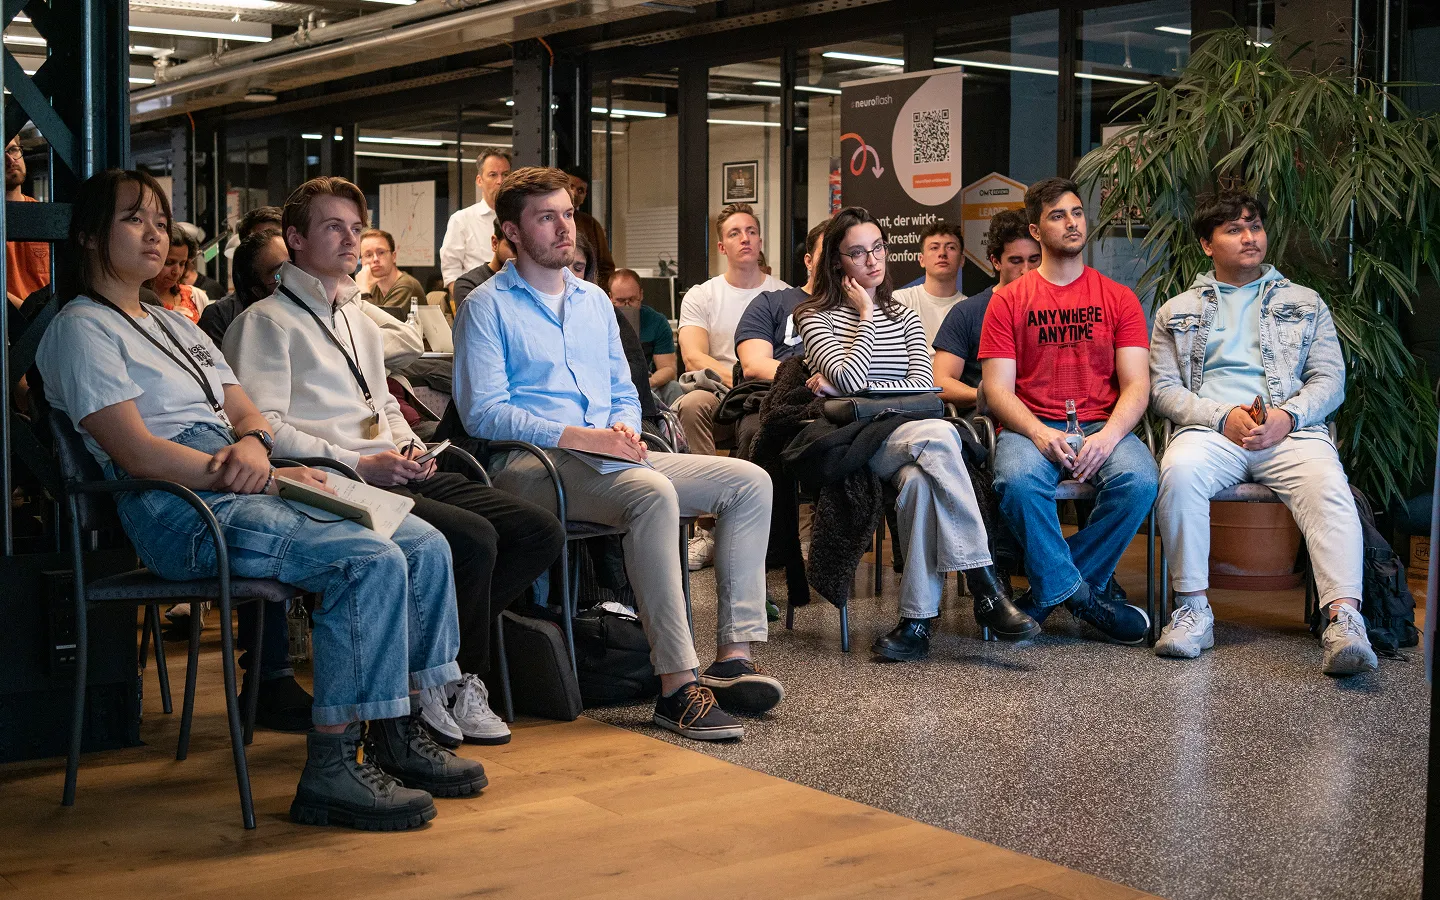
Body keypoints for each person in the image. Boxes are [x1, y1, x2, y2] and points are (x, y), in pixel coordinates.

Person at [36, 168, 485, 831]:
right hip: (178, 504)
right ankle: (332, 767)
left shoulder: (173, 323)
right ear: (87, 235)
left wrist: (251, 444)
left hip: (238, 470)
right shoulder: (80, 329)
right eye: (135, 219)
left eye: (162, 221)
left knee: (421, 541)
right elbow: (136, 454)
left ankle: (397, 729)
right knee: (367, 559)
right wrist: (239, 464)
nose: (156, 234)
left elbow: (247, 411)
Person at [225, 176, 566, 744]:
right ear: (296, 240)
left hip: (391, 469)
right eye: (334, 227)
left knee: (536, 532)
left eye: (355, 228)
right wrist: (360, 464)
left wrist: (408, 444)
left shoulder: (355, 317)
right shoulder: (264, 323)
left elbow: (380, 401)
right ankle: (449, 681)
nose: (350, 240)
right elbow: (267, 430)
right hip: (338, 482)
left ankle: (432, 663)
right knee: (474, 538)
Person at [453, 166, 784, 740]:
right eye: (545, 217)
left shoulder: (593, 302)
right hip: (529, 467)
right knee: (651, 493)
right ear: (511, 230)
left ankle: (732, 658)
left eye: (567, 214)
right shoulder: (487, 306)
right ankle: (677, 688)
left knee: (748, 481)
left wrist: (625, 430)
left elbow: (622, 389)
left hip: (609, 459)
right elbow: (485, 413)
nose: (565, 228)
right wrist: (585, 437)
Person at [795, 207, 1038, 659]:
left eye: (878, 248)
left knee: (919, 486)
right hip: (861, 443)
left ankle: (916, 624)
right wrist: (866, 316)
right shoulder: (814, 317)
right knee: (942, 437)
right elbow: (849, 379)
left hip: (913, 435)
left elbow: (925, 389)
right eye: (857, 253)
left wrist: (862, 389)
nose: (872, 261)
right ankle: (986, 584)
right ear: (837, 264)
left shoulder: (904, 315)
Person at [1150, 191, 1376, 674]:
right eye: (1233, 229)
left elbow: (1330, 380)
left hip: (1290, 430)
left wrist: (1289, 416)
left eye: (1254, 226)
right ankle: (1193, 609)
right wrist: (1218, 416)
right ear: (1206, 245)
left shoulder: (1305, 302)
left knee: (1328, 485)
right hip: (1212, 430)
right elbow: (1163, 390)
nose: (1249, 237)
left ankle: (1344, 620)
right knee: (1180, 471)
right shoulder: (1175, 310)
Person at [978, 177, 1158, 645]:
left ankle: (1048, 590)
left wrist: (1109, 436)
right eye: (1058, 215)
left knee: (1140, 481)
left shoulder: (1118, 298)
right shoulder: (1008, 302)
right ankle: (1083, 598)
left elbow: (1138, 385)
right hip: (1031, 425)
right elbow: (997, 391)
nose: (1072, 222)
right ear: (1037, 231)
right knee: (1015, 481)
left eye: (1077, 212)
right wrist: (1038, 433)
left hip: (1101, 424)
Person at [675, 202, 789, 457]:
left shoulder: (784, 294)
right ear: (721, 247)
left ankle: (765, 493)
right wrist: (737, 384)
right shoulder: (701, 295)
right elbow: (693, 358)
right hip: (719, 392)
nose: (745, 238)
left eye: (751, 231)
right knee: (692, 404)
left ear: (760, 241)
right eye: (734, 233)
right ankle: (706, 489)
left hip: (767, 392)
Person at [932, 210, 1041, 411]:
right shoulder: (967, 312)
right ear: (996, 261)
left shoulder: (1057, 307)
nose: (1027, 270)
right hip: (990, 418)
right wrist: (993, 396)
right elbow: (941, 383)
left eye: (1034, 259)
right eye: (1016, 261)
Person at [440, 149, 511, 294]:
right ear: (480, 180)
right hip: (475, 296)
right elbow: (451, 272)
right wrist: (465, 303)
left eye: (505, 174)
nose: (500, 181)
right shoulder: (462, 219)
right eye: (493, 175)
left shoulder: (519, 218)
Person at [609, 268, 678, 403]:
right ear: (610, 298)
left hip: (647, 384)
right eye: (621, 301)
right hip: (611, 385)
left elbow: (668, 369)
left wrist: (648, 382)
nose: (627, 306)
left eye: (632, 300)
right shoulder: (601, 320)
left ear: (641, 294)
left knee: (673, 388)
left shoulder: (656, 321)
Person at [891, 220, 965, 344]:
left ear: (962, 260)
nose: (942, 253)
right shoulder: (900, 301)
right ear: (921, 259)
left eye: (951, 247)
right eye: (934, 248)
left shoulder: (969, 309)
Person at [5, 137, 49, 309]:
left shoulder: (45, 217)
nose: (10, 160)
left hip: (46, 324)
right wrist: (28, 313)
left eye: (13, 150)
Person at [563, 165, 615, 289]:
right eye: (571, 186)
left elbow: (606, 268)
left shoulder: (591, 224)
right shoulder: (548, 218)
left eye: (580, 191)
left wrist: (595, 291)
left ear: (585, 196)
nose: (574, 193)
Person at [144, 224, 208, 323]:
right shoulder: (137, 300)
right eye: (169, 263)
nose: (176, 271)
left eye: (182, 264)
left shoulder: (196, 297)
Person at [358, 228, 426, 317]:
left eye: (381, 252)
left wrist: (363, 291)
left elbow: (382, 325)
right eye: (368, 255)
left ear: (393, 257)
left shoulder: (406, 285)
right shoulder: (371, 286)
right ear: (362, 261)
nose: (375, 259)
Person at [451, 218, 516, 306]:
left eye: (524, 248)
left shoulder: (531, 281)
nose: (519, 253)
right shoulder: (470, 284)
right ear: (495, 243)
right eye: (513, 246)